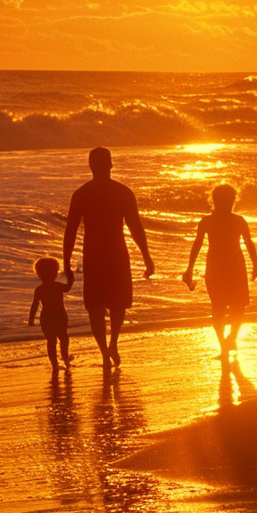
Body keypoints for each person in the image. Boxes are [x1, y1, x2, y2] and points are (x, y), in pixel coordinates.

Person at [63, 147, 154, 367]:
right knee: (117, 304)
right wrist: (147, 258)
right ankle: (112, 343)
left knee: (96, 306)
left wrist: (66, 264)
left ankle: (105, 351)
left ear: (91, 166)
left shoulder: (82, 193)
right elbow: (135, 228)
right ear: (111, 164)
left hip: (93, 254)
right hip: (116, 252)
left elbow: (70, 232)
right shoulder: (122, 192)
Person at [182, 183, 257, 357]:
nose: (229, 203)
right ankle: (225, 343)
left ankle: (229, 339)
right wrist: (190, 268)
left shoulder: (231, 220)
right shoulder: (213, 221)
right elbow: (198, 244)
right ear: (215, 201)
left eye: (230, 199)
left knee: (231, 307)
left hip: (226, 266)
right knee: (225, 307)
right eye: (226, 199)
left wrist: (256, 265)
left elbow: (249, 243)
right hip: (224, 266)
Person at [28, 257, 73, 371]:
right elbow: (68, 288)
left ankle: (55, 364)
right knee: (63, 338)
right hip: (59, 315)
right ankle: (65, 358)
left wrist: (31, 320)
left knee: (51, 341)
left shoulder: (39, 289)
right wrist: (70, 277)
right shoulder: (57, 286)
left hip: (46, 317)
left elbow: (34, 306)